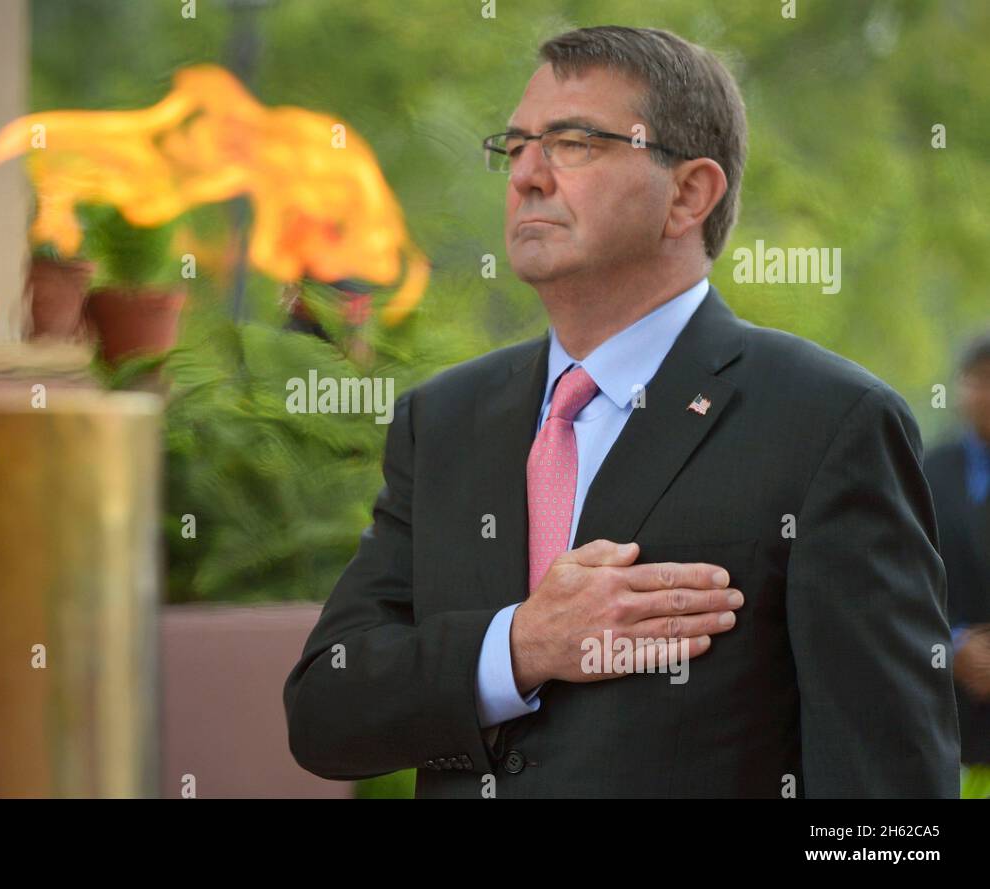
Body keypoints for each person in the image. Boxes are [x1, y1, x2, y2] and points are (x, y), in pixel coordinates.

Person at [283, 25, 960, 797]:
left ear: (688, 193)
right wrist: (520, 646)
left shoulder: (829, 423)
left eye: (574, 143)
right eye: (516, 143)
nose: (527, 175)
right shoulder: (442, 422)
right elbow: (325, 709)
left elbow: (890, 804)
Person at [925, 332, 990, 798]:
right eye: (979, 380)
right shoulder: (927, 470)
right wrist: (952, 643)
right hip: (946, 701)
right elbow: (902, 577)